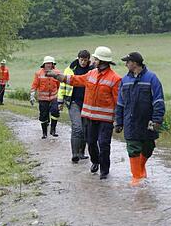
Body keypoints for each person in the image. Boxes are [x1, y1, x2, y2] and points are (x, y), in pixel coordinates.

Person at [46, 46, 121, 180]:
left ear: (102, 61)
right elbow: (75, 80)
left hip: (105, 119)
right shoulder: (91, 74)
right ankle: (95, 161)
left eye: (95, 59)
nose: (93, 60)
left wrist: (118, 120)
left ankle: (104, 170)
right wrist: (57, 76)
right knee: (91, 142)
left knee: (104, 144)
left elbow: (118, 101)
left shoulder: (115, 79)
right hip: (90, 117)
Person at [115, 52, 165, 186]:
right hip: (130, 122)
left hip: (148, 121)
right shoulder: (124, 80)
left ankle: (141, 169)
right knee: (133, 148)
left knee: (149, 147)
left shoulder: (152, 78)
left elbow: (158, 100)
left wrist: (157, 119)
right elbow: (120, 103)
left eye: (128, 62)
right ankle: (136, 178)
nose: (126, 64)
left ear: (135, 63)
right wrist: (118, 122)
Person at [58, 50, 94, 163]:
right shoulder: (70, 69)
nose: (83, 62)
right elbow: (63, 85)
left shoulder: (93, 70)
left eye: (85, 60)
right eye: (81, 59)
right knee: (77, 127)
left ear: (88, 59)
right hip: (73, 101)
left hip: (88, 103)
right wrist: (60, 101)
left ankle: (82, 153)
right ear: (78, 58)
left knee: (84, 129)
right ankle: (75, 154)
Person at [30, 56, 61, 139]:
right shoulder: (38, 73)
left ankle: (53, 130)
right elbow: (34, 85)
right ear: (44, 64)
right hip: (43, 99)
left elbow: (59, 86)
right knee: (43, 115)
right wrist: (32, 95)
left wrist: (60, 96)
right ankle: (44, 133)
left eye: (50, 63)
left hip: (54, 97)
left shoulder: (57, 73)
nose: (49, 65)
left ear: (53, 64)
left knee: (55, 112)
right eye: (47, 63)